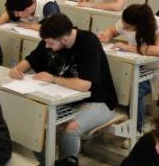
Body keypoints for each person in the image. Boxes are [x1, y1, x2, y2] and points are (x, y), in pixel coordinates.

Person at [9, 14, 117, 158]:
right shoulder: (51, 37)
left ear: (65, 39)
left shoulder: (88, 42)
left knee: (70, 130)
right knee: (38, 125)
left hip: (99, 100)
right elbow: (32, 59)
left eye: (51, 43)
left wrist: (53, 78)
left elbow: (84, 85)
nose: (47, 46)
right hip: (65, 98)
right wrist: (16, 70)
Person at [99, 3, 159, 130]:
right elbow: (112, 30)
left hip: (157, 68)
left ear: (139, 25)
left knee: (135, 88)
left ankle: (135, 129)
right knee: (108, 80)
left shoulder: (158, 23)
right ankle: (105, 119)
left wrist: (128, 47)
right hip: (134, 64)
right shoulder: (127, 20)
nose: (124, 28)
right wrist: (107, 35)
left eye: (128, 28)